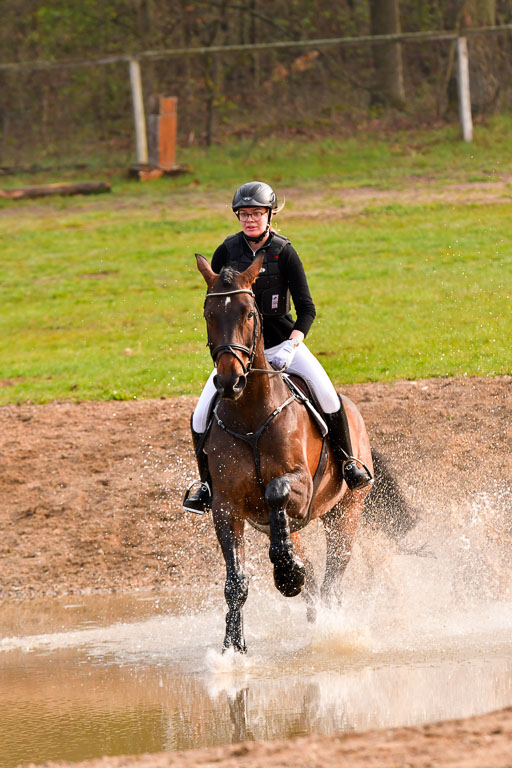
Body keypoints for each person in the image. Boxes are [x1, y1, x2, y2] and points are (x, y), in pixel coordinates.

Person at [183, 181, 373, 513]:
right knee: (200, 415)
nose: (250, 220)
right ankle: (205, 487)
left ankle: (348, 464)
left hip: (285, 345)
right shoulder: (226, 251)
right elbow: (218, 303)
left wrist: (293, 344)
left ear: (269, 215)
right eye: (244, 214)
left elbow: (307, 309)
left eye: (256, 213)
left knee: (328, 396)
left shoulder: (284, 252)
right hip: (241, 354)